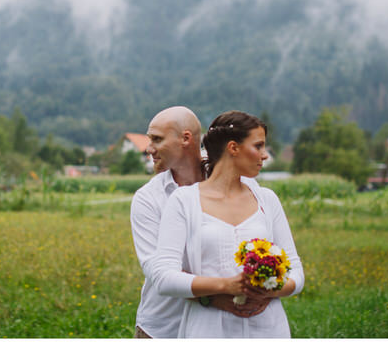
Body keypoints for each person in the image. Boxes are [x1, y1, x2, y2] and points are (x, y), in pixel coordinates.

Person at [148, 110, 304, 338]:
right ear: (233, 148)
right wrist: (224, 286)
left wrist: (267, 290)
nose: (265, 155)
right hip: (208, 329)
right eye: (258, 146)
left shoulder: (267, 200)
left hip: (267, 328)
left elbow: (296, 273)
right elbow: (163, 277)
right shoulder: (183, 201)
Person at [129, 106, 267, 338]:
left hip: (224, 326)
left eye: (157, 139)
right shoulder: (148, 198)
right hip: (165, 327)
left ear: (185, 139)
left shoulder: (245, 186)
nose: (149, 148)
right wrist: (214, 296)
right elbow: (156, 270)